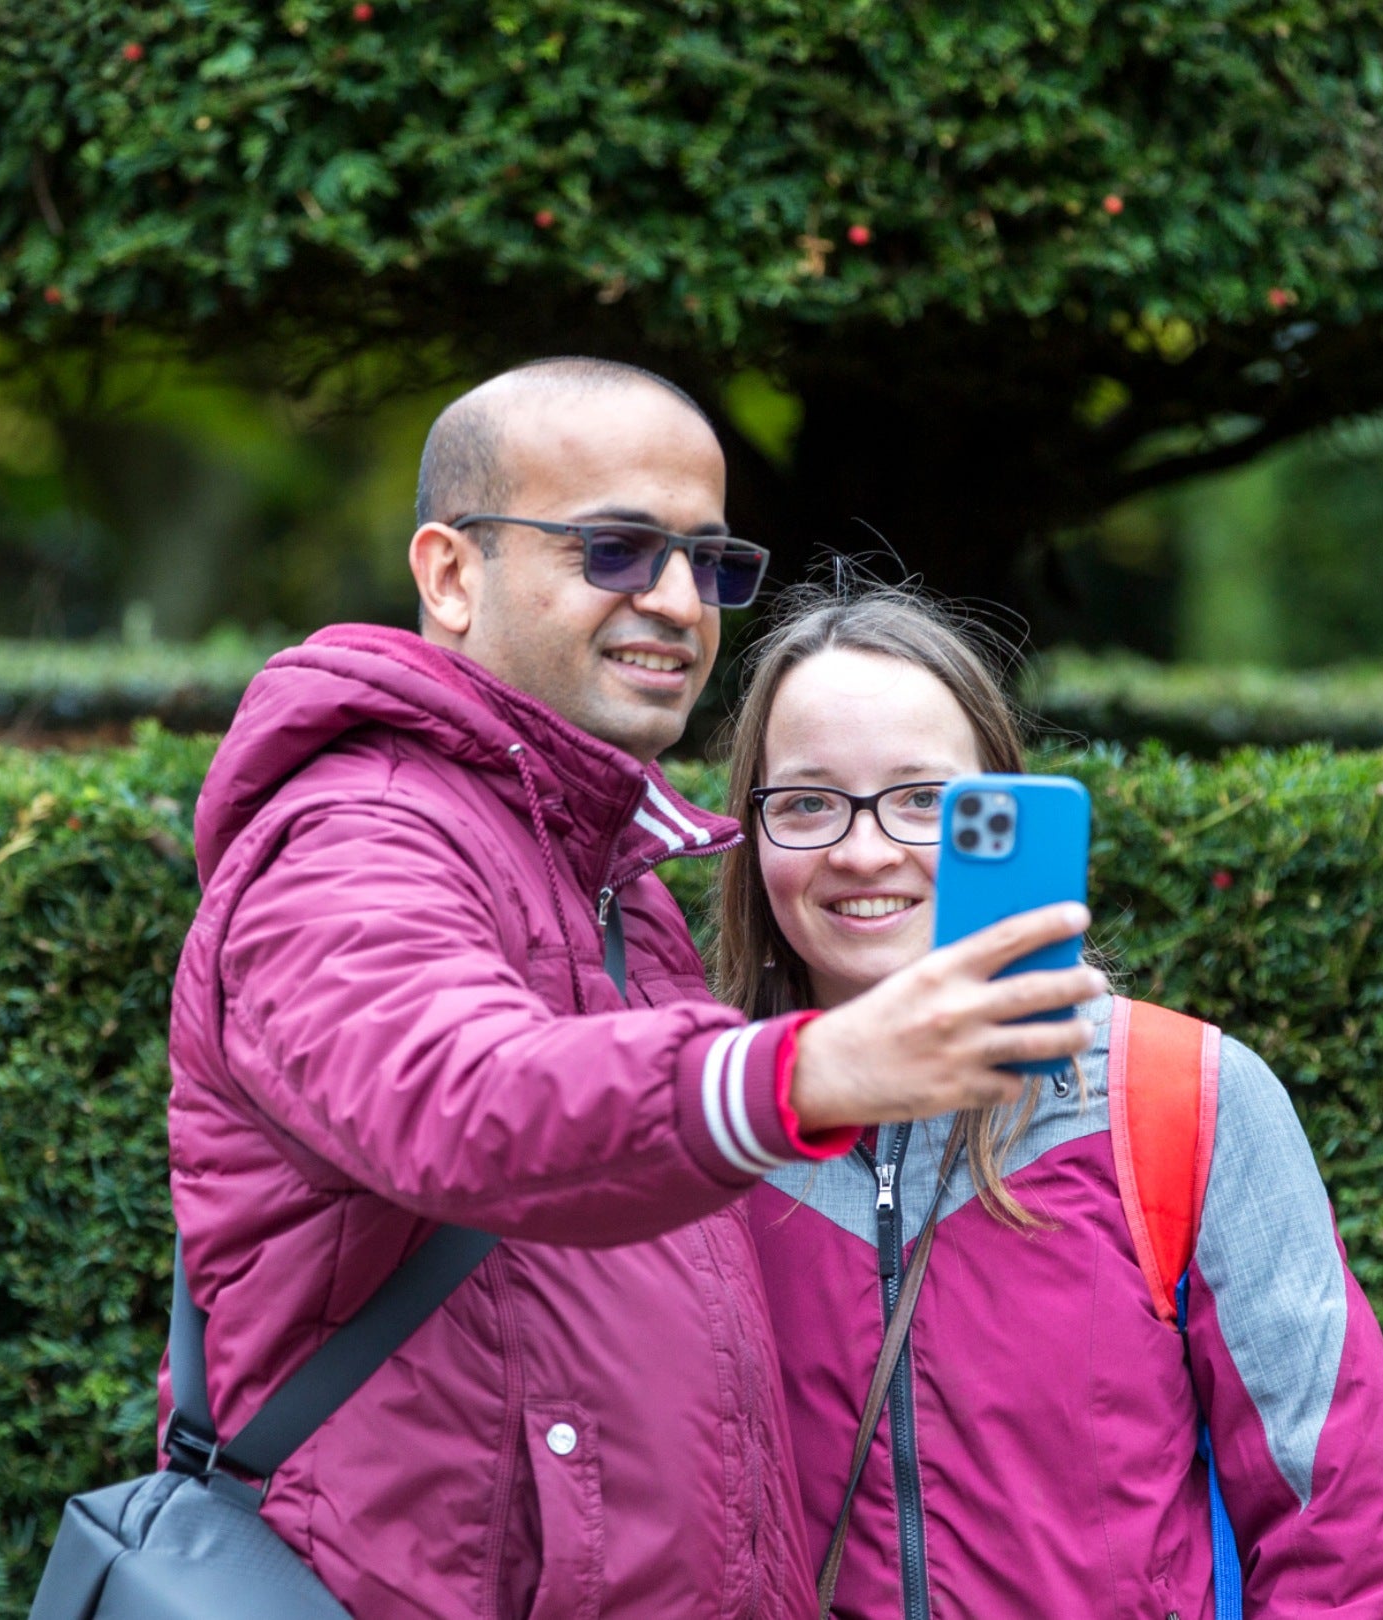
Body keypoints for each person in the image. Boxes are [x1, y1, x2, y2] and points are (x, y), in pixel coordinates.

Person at [164, 359, 1103, 1619]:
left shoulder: (603, 869)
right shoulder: (359, 834)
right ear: (449, 572)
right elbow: (463, 1097)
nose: (675, 601)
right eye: (615, 548)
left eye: (710, 563)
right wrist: (808, 1072)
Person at [717, 582, 1383, 1619]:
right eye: (807, 802)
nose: (862, 851)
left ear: (999, 817)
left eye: (924, 800)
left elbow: (1338, 1527)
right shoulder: (698, 1137)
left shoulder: (1181, 1099)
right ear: (751, 833)